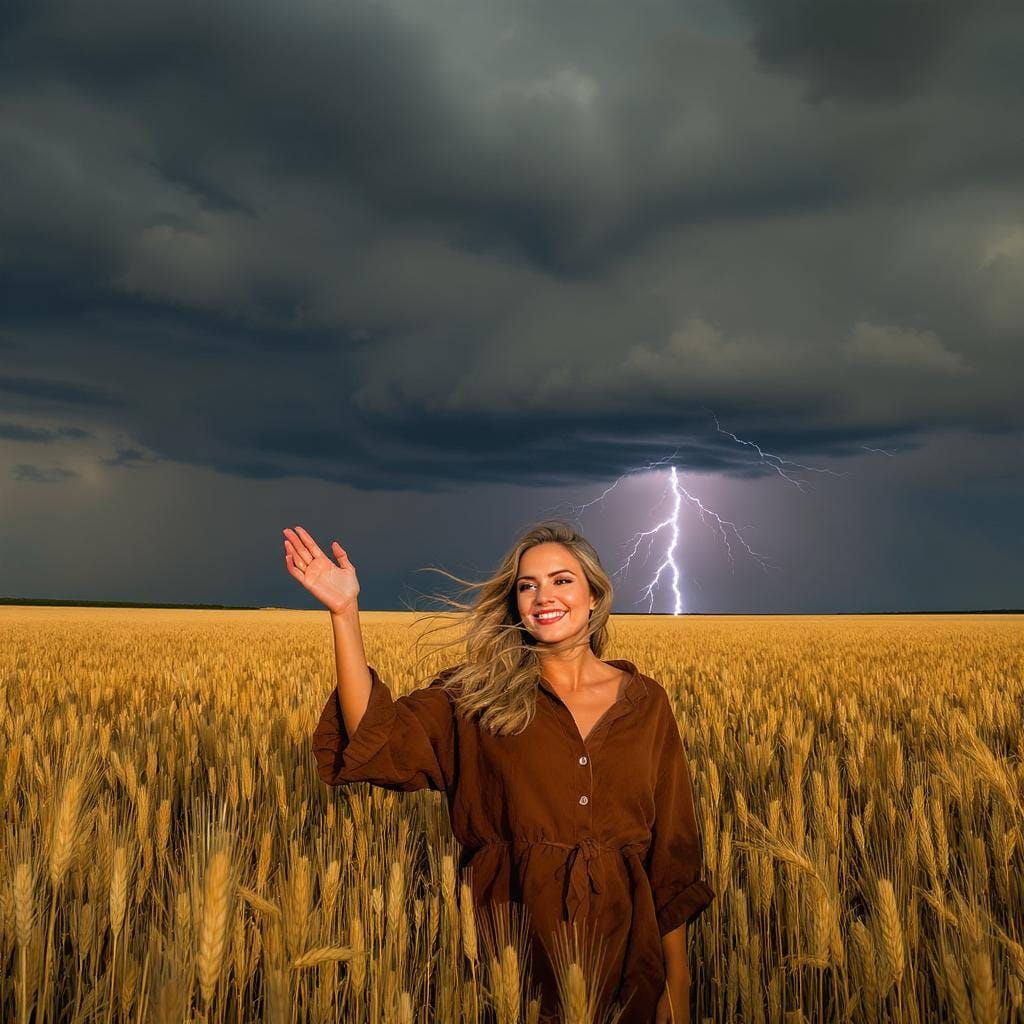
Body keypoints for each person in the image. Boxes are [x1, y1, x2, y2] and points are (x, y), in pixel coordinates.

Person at [284, 520, 715, 1023]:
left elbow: (671, 853)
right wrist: (345, 613)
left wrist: (677, 982)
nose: (541, 596)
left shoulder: (646, 703)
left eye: (561, 580)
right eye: (526, 585)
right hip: (509, 951)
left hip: (626, 957)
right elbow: (377, 739)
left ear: (594, 595)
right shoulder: (478, 698)